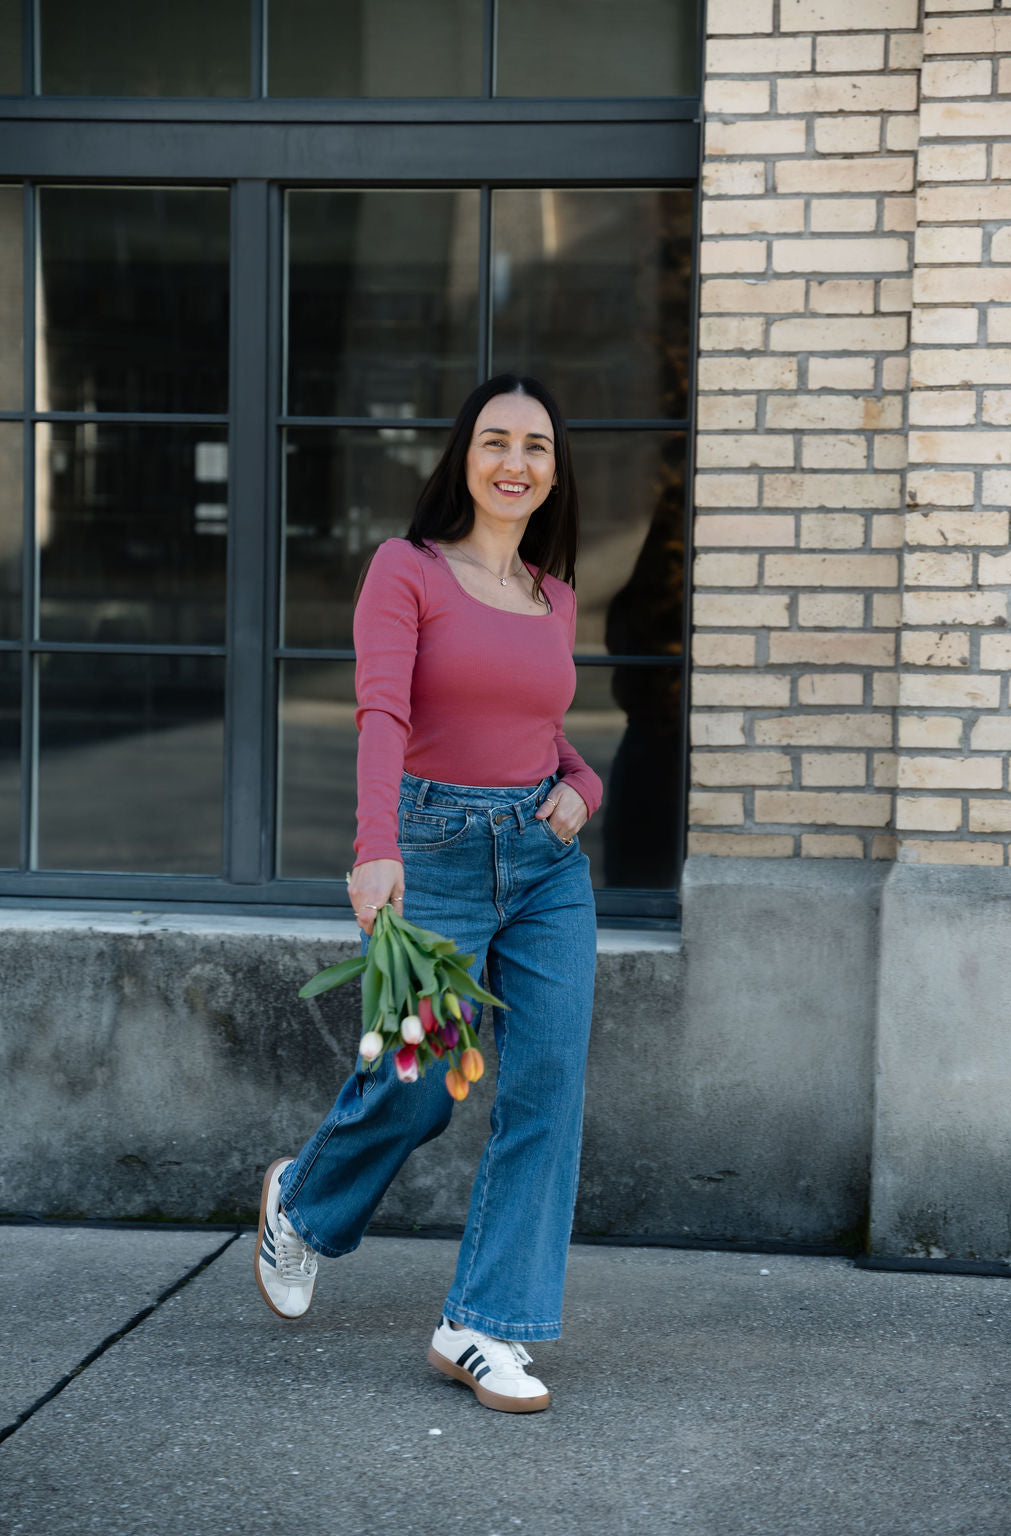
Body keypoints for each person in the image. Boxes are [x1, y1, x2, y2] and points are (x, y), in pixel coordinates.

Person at [255, 373, 601, 1415]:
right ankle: (301, 1204)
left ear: (554, 473)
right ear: (463, 457)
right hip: (434, 855)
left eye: (535, 447)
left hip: (544, 868)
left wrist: (584, 785)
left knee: (546, 1090)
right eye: (495, 441)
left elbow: (540, 730)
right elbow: (383, 713)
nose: (514, 462)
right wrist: (377, 851)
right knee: (418, 1083)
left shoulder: (553, 595)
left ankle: (481, 1325)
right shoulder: (405, 570)